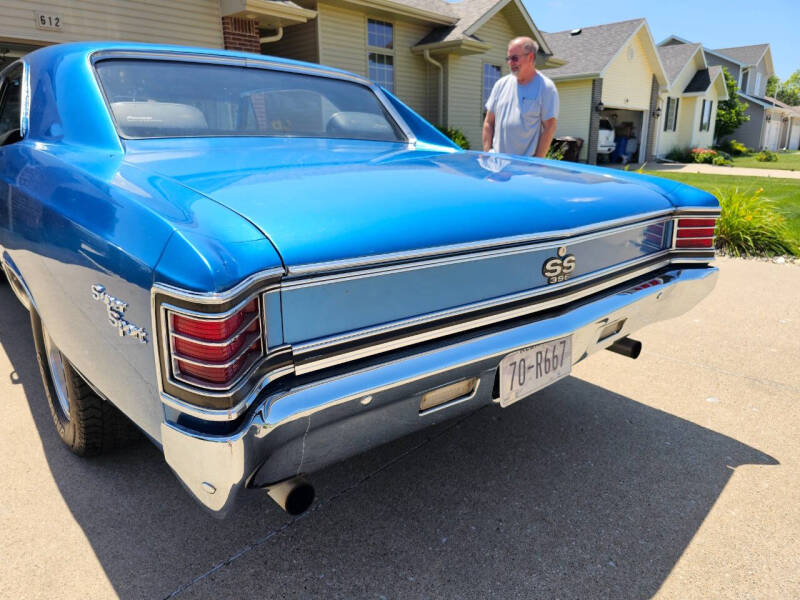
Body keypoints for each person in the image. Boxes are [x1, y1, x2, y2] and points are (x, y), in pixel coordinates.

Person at [482, 37, 559, 158]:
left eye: (515, 58)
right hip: (497, 167)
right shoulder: (500, 85)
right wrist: (487, 153)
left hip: (525, 169)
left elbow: (550, 127)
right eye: (508, 58)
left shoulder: (546, 87)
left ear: (530, 57)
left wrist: (537, 163)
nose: (510, 63)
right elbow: (488, 122)